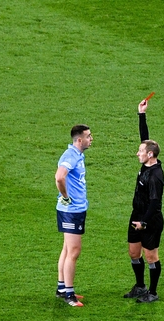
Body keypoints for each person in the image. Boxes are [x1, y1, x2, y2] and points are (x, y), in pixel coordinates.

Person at [123, 97, 164, 303]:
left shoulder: (156, 176)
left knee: (151, 256)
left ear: (150, 155)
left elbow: (155, 203)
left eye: (140, 152)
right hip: (137, 215)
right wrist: (142, 114)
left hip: (150, 219)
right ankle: (140, 287)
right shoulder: (147, 163)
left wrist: (144, 222)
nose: (137, 153)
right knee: (133, 252)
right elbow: (145, 139)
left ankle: (153, 292)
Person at [55, 124, 93, 307]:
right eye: (88, 136)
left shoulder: (77, 155)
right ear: (79, 140)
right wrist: (65, 197)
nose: (91, 139)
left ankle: (62, 288)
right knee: (74, 251)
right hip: (71, 211)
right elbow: (59, 177)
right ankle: (70, 295)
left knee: (67, 248)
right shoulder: (70, 156)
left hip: (75, 209)